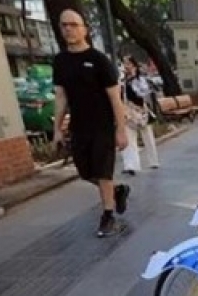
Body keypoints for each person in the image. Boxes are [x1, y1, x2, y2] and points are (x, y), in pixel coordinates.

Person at [50, 8, 131, 238]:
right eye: (64, 25)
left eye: (73, 25)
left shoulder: (98, 60)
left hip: (102, 126)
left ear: (84, 29)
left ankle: (108, 216)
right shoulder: (61, 61)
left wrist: (121, 130)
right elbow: (61, 97)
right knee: (86, 172)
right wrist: (57, 130)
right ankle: (118, 191)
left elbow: (115, 98)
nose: (68, 29)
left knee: (103, 172)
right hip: (79, 127)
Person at [120, 55, 160, 175]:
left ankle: (153, 161)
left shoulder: (140, 79)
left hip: (141, 111)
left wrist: (134, 80)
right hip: (128, 111)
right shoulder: (122, 79)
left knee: (148, 136)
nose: (126, 66)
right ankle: (131, 165)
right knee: (129, 138)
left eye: (128, 63)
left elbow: (144, 93)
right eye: (124, 63)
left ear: (134, 65)